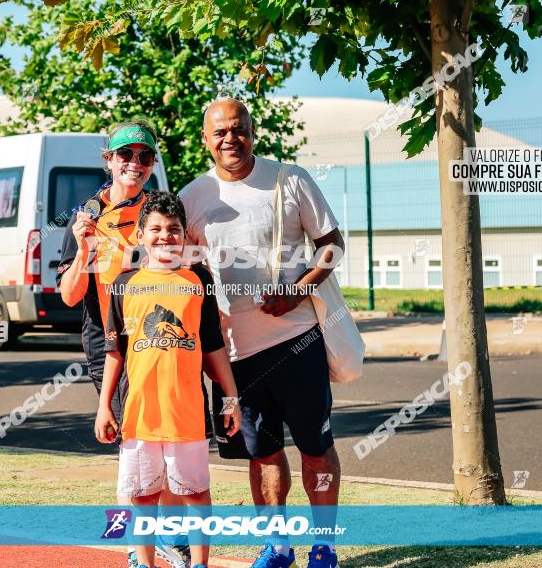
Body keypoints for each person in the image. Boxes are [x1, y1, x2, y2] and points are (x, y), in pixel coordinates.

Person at [179, 98, 345, 568]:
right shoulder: (194, 196)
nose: (230, 139)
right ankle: (278, 547)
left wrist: (297, 292)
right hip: (234, 354)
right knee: (263, 455)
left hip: (298, 342)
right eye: (220, 132)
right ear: (206, 140)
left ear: (253, 131)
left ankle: (325, 547)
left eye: (239, 129)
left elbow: (332, 243)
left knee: (316, 449)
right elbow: (184, 273)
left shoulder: (289, 179)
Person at [57, 120, 196, 568]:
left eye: (144, 157)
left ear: (153, 163)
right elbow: (70, 295)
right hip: (112, 341)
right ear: (109, 160)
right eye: (125, 155)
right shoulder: (86, 217)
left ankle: (170, 537)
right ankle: (140, 547)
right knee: (134, 440)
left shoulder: (159, 212)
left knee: (171, 436)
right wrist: (82, 251)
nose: (134, 164)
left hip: (165, 337)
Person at [95, 191, 242, 568]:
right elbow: (115, 353)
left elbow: (214, 349)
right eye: (156, 229)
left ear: (184, 237)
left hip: (186, 415)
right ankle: (143, 563)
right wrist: (103, 408)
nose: (165, 237)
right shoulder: (124, 286)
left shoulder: (197, 283)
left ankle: (199, 564)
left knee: (195, 493)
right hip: (139, 415)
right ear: (141, 235)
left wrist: (231, 398)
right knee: (142, 496)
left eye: (174, 230)